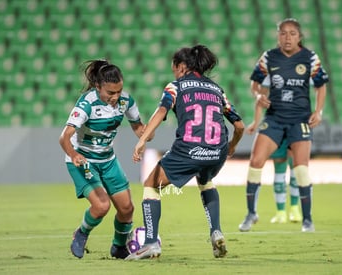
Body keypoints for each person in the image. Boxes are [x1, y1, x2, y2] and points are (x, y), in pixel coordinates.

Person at [125, 45, 245, 260]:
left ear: (181, 66)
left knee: (151, 185)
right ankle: (216, 231)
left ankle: (151, 243)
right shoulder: (217, 89)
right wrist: (232, 146)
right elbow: (240, 126)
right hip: (217, 149)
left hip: (190, 148)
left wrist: (142, 140)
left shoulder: (175, 86)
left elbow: (161, 111)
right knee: (206, 180)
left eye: (173, 66)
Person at [238, 18, 328, 233]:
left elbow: (320, 86)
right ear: (278, 35)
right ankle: (251, 214)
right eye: (283, 33)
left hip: (299, 120)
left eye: (292, 34)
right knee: (256, 161)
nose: (287, 38)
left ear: (300, 37)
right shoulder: (269, 57)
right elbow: (254, 84)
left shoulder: (309, 58)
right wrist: (259, 94)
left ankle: (307, 220)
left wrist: (318, 111)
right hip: (274, 119)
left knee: (301, 169)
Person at [59, 59, 152, 259]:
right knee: (102, 206)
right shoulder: (87, 103)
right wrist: (74, 154)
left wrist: (147, 133)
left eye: (119, 91)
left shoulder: (126, 101)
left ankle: (118, 247)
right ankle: (81, 232)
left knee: (127, 209)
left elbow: (139, 128)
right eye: (110, 93)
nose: (115, 97)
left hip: (108, 161)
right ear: (98, 86)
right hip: (84, 160)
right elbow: (64, 137)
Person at [246, 82, 302, 224]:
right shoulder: (273, 80)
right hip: (276, 127)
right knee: (281, 168)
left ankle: (292, 209)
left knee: (293, 166)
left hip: (293, 125)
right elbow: (260, 101)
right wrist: (256, 123)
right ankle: (283, 211)